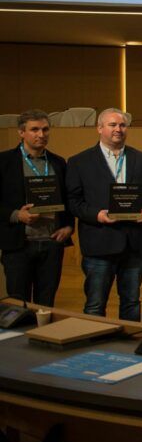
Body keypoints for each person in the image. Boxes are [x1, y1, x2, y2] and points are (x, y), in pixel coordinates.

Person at [66, 109, 142, 320]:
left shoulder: (141, 159)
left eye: (122, 125)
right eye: (112, 125)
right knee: (95, 305)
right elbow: (73, 201)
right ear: (99, 128)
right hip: (99, 243)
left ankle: (128, 341)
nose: (118, 129)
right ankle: (95, 341)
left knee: (132, 303)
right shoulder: (79, 162)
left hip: (134, 244)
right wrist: (97, 215)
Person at [0, 109, 74, 307]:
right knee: (18, 306)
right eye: (34, 129)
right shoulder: (4, 162)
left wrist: (68, 226)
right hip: (19, 245)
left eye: (45, 129)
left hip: (52, 243)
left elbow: (68, 199)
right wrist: (17, 215)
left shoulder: (58, 162)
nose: (41, 134)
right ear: (21, 132)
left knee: (46, 305)